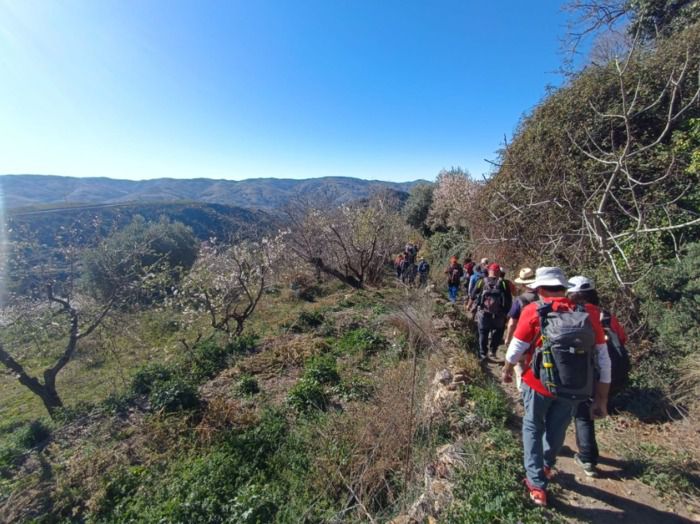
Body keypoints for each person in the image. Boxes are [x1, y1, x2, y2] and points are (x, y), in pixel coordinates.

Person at [500, 267, 611, 507]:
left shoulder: (534, 311)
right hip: (575, 386)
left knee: (532, 426)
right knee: (558, 428)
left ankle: (536, 483)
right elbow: (603, 358)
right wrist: (602, 398)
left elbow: (515, 350)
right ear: (564, 289)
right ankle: (547, 466)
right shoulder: (589, 313)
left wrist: (508, 369)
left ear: (539, 289)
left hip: (537, 383)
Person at [567, 275, 628, 478]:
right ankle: (588, 458)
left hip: (580, 373)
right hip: (607, 374)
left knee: (581, 414)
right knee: (586, 413)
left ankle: (587, 457)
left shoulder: (573, 313)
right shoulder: (606, 316)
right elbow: (622, 339)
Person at [504, 267, 538, 388]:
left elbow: (512, 322)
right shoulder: (544, 298)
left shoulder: (521, 300)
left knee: (519, 363)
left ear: (523, 284)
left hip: (524, 337)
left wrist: (508, 339)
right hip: (541, 340)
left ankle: (523, 387)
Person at [470, 263, 512, 361]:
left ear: (489, 271)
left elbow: (472, 295)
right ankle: (493, 352)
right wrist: (507, 313)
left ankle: (483, 353)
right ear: (499, 272)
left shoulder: (481, 281)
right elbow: (509, 299)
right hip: (499, 314)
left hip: (483, 312)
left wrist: (470, 306)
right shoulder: (504, 283)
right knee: (498, 333)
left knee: (483, 332)